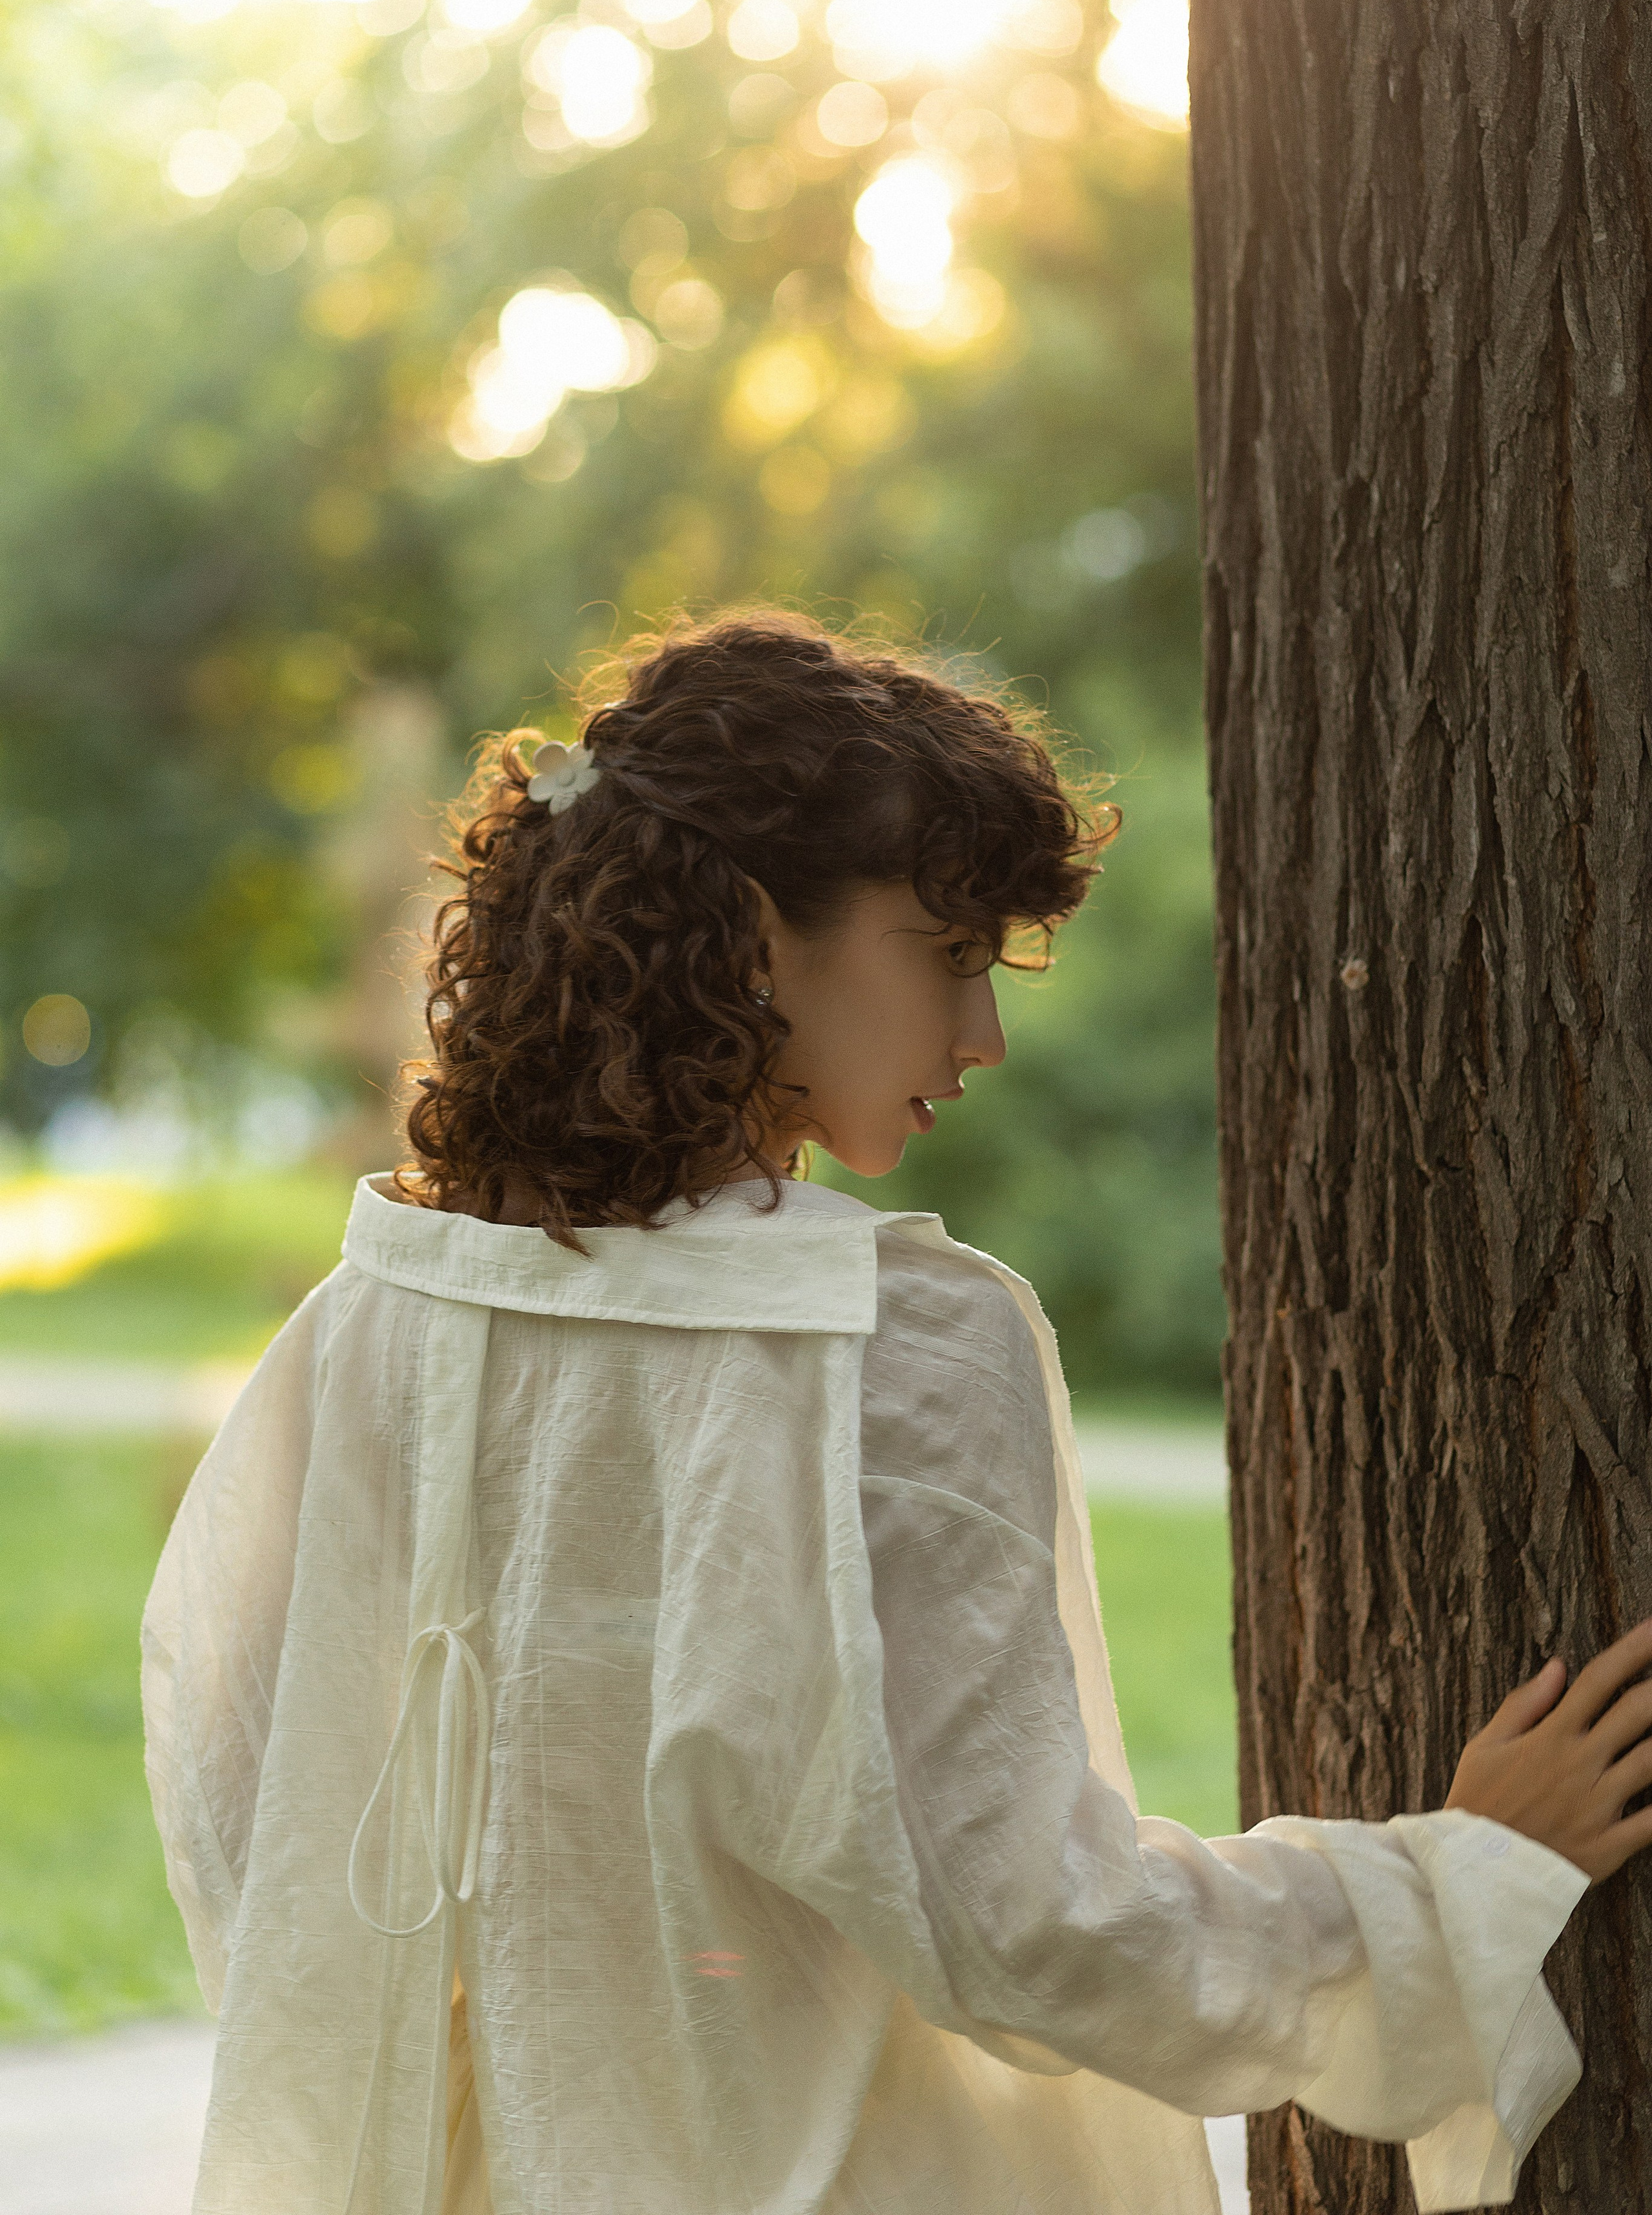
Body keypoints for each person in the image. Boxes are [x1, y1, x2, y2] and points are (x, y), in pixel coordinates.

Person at [143, 614, 1652, 2215]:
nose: (982, 1037)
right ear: (745, 934)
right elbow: (1029, 1926)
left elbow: (241, 1794)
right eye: (947, 957)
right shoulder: (889, 1347)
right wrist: (1450, 1889)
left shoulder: (372, 1321)